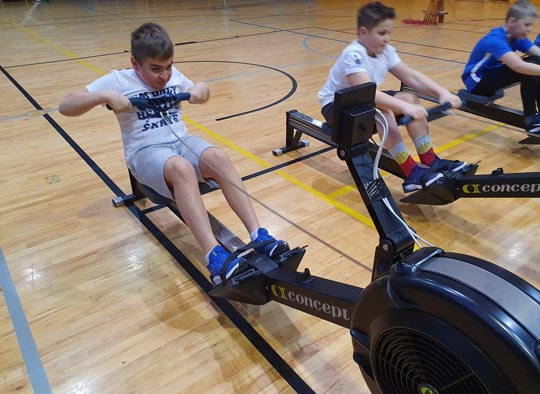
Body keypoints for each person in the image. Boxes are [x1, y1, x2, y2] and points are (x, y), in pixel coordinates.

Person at [59, 22, 289, 286]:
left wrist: (201, 88)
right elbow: (66, 105)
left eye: (168, 67)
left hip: (181, 144)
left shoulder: (174, 75)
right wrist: (105, 95)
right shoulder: (118, 80)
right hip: (145, 152)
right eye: (156, 69)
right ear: (135, 63)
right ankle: (214, 256)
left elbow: (201, 91)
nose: (165, 76)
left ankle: (259, 235)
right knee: (182, 168)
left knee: (218, 157)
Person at [318, 2, 466, 193]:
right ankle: (411, 172)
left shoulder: (385, 51)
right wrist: (403, 108)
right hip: (336, 107)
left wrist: (442, 93)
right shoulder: (353, 54)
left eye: (388, 33)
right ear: (363, 32)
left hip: (361, 101)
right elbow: (368, 93)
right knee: (385, 110)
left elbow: (411, 76)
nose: (387, 38)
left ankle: (430, 160)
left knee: (410, 98)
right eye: (381, 33)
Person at [462, 0, 540, 136]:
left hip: (490, 75)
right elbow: (518, 66)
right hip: (476, 81)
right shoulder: (495, 39)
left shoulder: (517, 36)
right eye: (527, 25)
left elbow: (537, 53)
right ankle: (531, 120)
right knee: (528, 69)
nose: (530, 29)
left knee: (535, 61)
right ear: (512, 21)